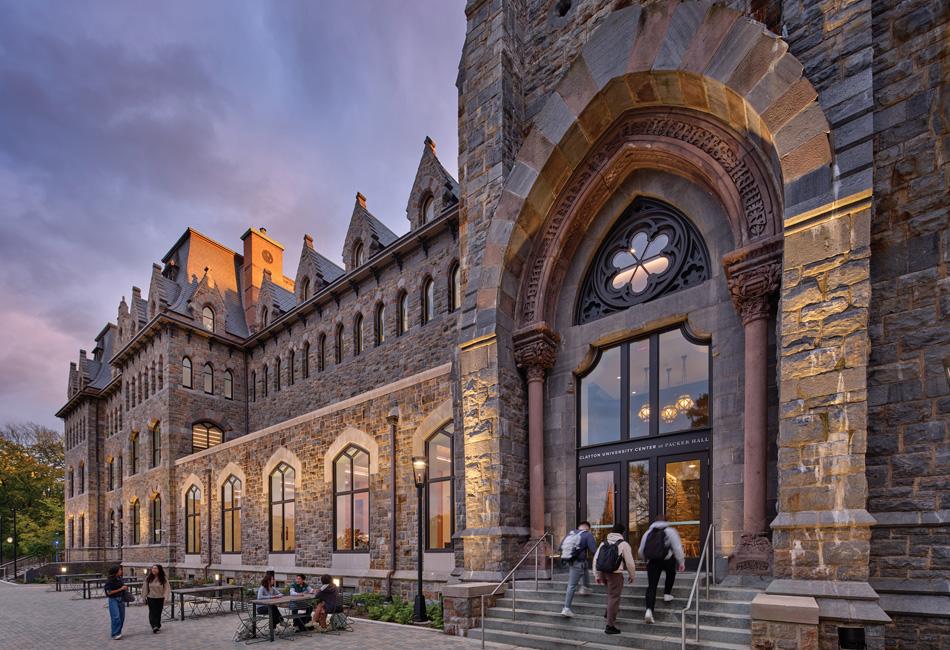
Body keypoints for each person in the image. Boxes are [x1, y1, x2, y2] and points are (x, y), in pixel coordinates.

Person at [638, 517, 685, 624]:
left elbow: (641, 550)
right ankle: (667, 594)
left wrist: (646, 559)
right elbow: (677, 548)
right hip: (666, 560)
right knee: (671, 572)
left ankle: (649, 610)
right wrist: (681, 562)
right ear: (666, 522)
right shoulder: (670, 531)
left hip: (652, 561)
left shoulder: (648, 532)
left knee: (652, 586)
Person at [592, 522, 637, 635]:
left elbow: (595, 559)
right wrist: (632, 575)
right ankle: (610, 626)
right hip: (615, 574)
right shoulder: (623, 544)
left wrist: (596, 575)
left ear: (612, 531)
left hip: (603, 572)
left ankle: (608, 613)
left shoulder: (604, 543)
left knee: (610, 594)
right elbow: (630, 563)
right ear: (622, 533)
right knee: (614, 597)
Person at [560, 520, 597, 617]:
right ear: (587, 528)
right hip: (577, 563)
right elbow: (593, 550)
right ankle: (566, 608)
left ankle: (585, 587)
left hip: (572, 561)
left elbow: (560, 547)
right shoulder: (587, 535)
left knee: (584, 564)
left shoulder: (570, 533)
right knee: (572, 585)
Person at [142, 564, 171, 634]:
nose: (153, 570)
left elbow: (167, 588)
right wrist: (143, 597)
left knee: (158, 612)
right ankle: (154, 626)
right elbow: (145, 588)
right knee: (152, 612)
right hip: (151, 597)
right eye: (153, 568)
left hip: (160, 598)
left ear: (159, 570)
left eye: (155, 568)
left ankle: (157, 625)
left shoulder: (163, 578)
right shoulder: (148, 578)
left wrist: (165, 598)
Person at [103, 565, 129, 640]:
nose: (121, 571)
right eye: (120, 570)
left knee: (121, 617)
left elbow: (122, 587)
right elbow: (109, 592)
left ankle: (118, 632)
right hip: (113, 600)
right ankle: (115, 633)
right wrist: (121, 589)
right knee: (116, 617)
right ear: (116, 572)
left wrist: (124, 588)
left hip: (121, 599)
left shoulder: (120, 578)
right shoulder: (109, 581)